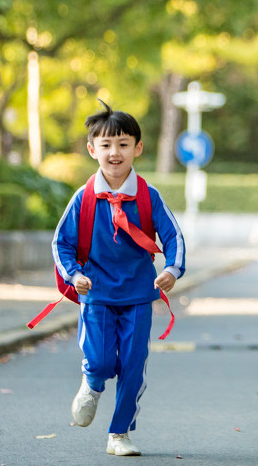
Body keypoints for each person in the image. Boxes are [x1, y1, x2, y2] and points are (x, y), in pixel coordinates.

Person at [52, 100, 185, 457]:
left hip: (140, 294)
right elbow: (61, 243)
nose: (115, 152)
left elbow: (174, 237)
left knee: (132, 364)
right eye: (106, 144)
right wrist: (74, 274)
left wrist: (172, 269)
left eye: (124, 143)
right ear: (92, 148)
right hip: (95, 294)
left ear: (138, 148)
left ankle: (120, 433)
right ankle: (92, 384)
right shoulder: (83, 198)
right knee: (98, 361)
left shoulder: (148, 196)